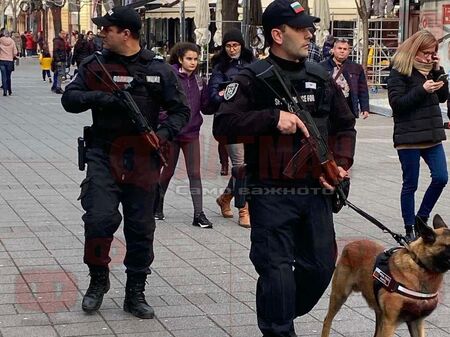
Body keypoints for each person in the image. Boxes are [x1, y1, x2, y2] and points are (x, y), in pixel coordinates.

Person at [213, 0, 356, 336]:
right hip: (270, 190)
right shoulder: (251, 78)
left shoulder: (320, 76)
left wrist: (342, 165)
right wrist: (272, 118)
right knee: (276, 271)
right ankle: (278, 327)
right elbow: (223, 125)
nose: (310, 34)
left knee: (320, 269)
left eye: (310, 28)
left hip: (316, 191)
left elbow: (345, 125)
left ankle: (277, 309)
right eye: (301, 28)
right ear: (277, 34)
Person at [61, 6, 190, 319]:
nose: (103, 33)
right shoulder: (95, 65)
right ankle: (98, 279)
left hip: (143, 159)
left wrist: (160, 134)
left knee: (141, 227)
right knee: (98, 219)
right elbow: (70, 99)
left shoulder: (159, 70)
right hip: (104, 155)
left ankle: (135, 290)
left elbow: (181, 112)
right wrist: (102, 99)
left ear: (126, 33)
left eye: (109, 29)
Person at [387, 30, 448, 242]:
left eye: (433, 53)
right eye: (427, 53)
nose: (430, 57)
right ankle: (410, 226)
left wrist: (439, 72)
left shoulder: (431, 70)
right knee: (410, 183)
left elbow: (442, 98)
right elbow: (397, 104)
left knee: (441, 177)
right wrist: (422, 89)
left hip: (431, 135)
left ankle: (422, 218)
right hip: (408, 136)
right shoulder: (399, 71)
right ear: (415, 50)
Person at [153, 42, 213, 228]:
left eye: (196, 59)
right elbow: (160, 104)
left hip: (192, 132)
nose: (193, 62)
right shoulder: (169, 75)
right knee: (168, 171)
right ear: (180, 59)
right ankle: (157, 204)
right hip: (172, 132)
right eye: (189, 58)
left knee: (194, 173)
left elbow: (205, 107)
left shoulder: (199, 81)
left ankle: (198, 214)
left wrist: (217, 98)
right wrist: (167, 121)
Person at [209, 28, 255, 228]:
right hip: (228, 122)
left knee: (246, 165)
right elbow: (213, 96)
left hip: (251, 120)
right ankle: (243, 208)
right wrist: (232, 90)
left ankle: (225, 198)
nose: (232, 49)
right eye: (228, 45)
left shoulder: (252, 64)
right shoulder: (219, 67)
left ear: (241, 45)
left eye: (235, 45)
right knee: (239, 165)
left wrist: (228, 89)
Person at [320, 38, 370, 119]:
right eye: (339, 48)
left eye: (345, 49)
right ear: (333, 49)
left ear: (348, 52)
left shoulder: (356, 68)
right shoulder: (322, 66)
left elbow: (363, 89)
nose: (342, 51)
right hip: (328, 108)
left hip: (348, 107)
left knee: (348, 131)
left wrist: (365, 108)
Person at [0, 30, 18, 96]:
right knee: (8, 76)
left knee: (3, 76)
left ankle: (5, 91)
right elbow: (15, 52)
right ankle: (9, 90)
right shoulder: (12, 41)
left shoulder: (0, 40)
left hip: (2, 60)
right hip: (10, 61)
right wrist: (12, 56)